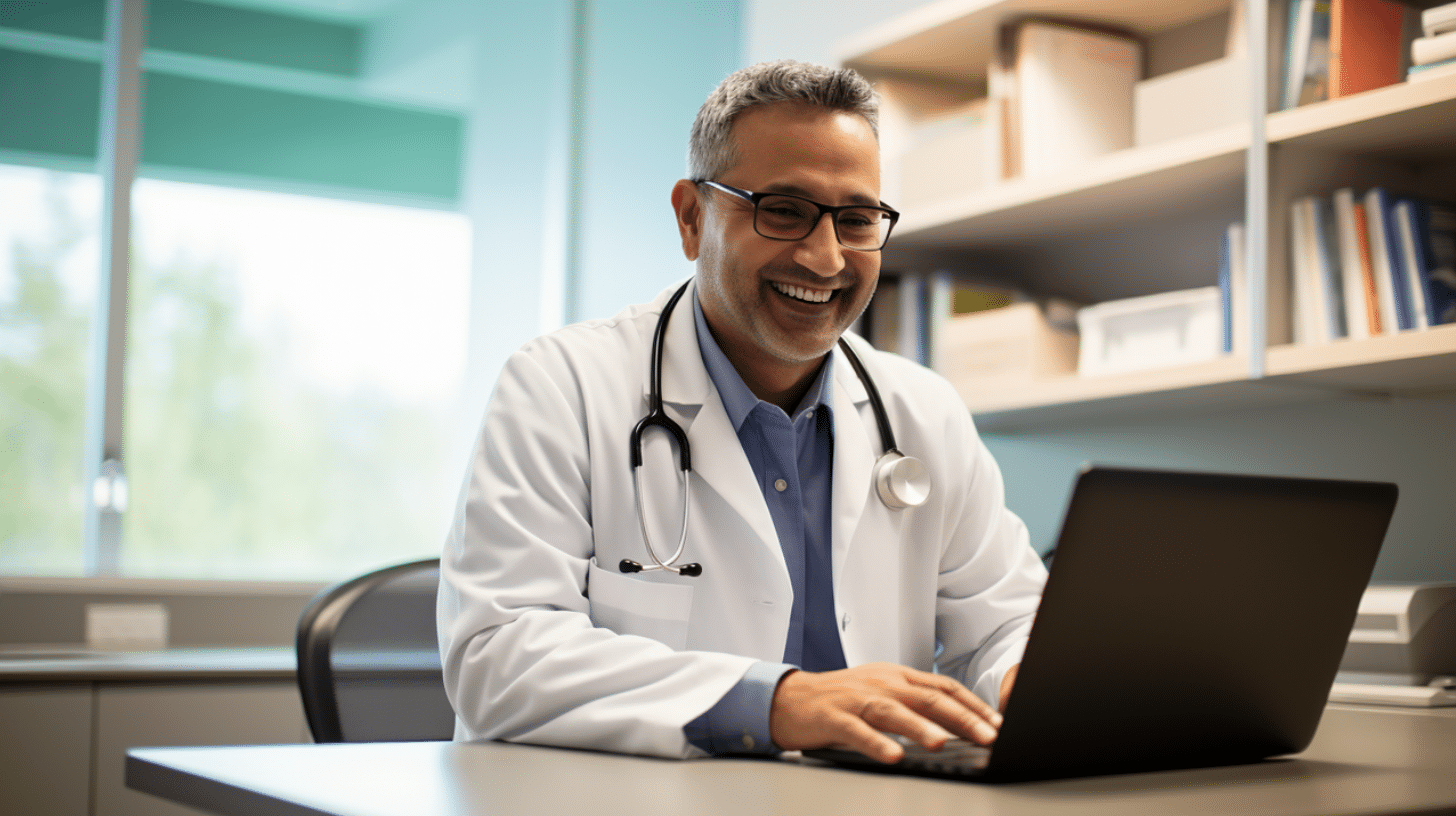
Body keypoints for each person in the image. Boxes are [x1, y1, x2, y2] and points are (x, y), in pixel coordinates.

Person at [437, 60, 1047, 763]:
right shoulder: (560, 386)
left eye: (855, 220)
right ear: (692, 218)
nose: (825, 258)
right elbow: (498, 656)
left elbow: (1009, 616)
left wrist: (1020, 677)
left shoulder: (922, 412)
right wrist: (778, 702)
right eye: (783, 211)